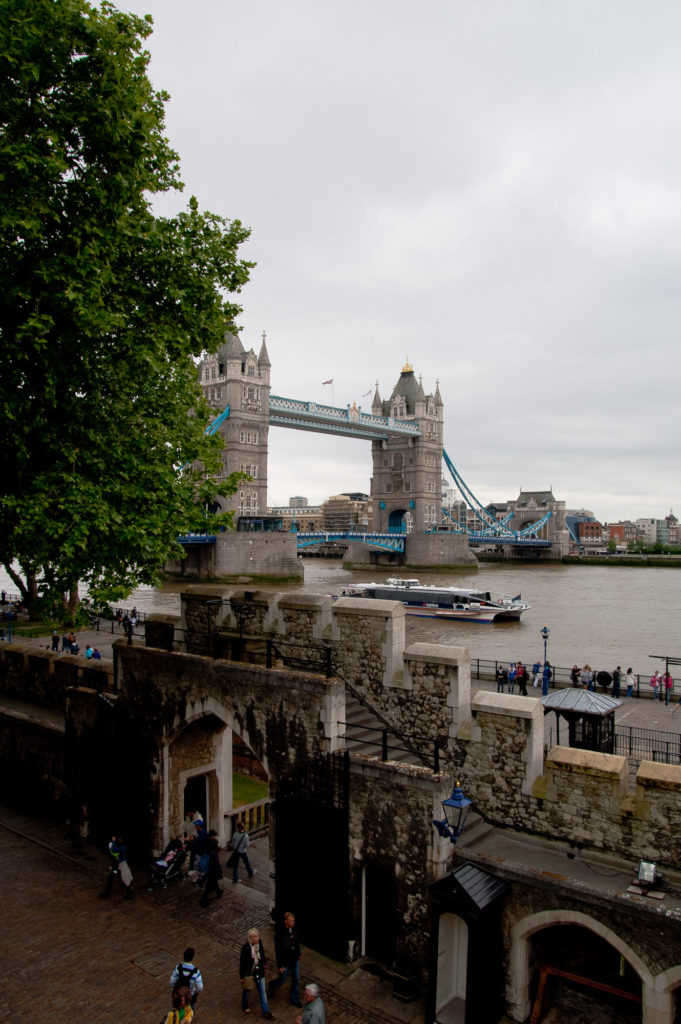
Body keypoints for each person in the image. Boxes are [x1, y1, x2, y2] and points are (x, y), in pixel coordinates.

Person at [269, 911, 302, 1007]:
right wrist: (280, 965)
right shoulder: (280, 934)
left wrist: (298, 954)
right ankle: (272, 985)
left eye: (293, 921)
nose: (293, 923)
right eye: (291, 921)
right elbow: (278, 950)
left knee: (295, 978)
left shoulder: (294, 929)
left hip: (294, 959)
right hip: (285, 961)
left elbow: (296, 943)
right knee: (282, 980)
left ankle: (294, 998)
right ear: (286, 921)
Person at [239, 927, 273, 1019]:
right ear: (250, 938)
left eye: (257, 936)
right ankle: (245, 1004)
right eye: (254, 937)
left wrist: (264, 963)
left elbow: (262, 953)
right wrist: (242, 977)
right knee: (247, 990)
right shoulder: (246, 948)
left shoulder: (259, 943)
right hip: (250, 973)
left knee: (262, 991)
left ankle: (266, 1011)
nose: (256, 938)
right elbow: (242, 963)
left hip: (260, 971)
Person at [99, 834, 133, 899]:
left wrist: (113, 841)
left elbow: (114, 849)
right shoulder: (121, 846)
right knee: (112, 878)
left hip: (120, 866)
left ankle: (130, 893)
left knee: (122, 879)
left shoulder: (123, 847)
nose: (119, 839)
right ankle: (107, 893)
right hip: (117, 866)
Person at [200, 830, 223, 907]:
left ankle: (218, 892)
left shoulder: (207, 846)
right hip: (212, 871)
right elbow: (216, 863)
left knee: (214, 882)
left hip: (209, 869)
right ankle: (204, 900)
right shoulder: (213, 853)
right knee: (209, 885)